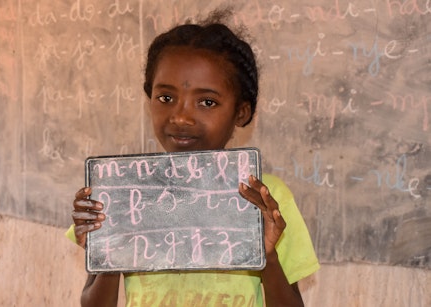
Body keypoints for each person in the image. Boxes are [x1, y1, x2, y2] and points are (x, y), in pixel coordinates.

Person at [66, 9, 319, 307]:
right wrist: (111, 243)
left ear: (241, 112)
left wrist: (267, 257)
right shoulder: (127, 191)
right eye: (166, 98)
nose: (181, 117)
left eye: (207, 102)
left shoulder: (265, 199)